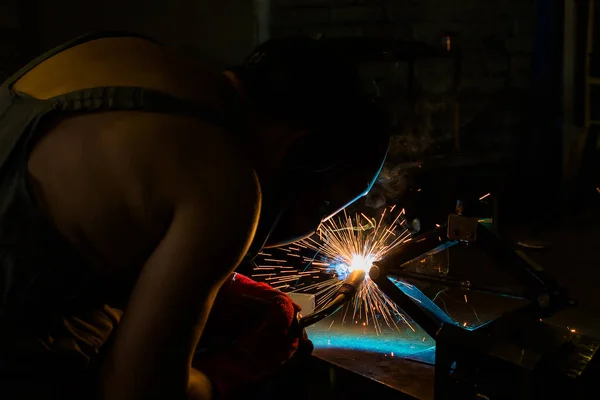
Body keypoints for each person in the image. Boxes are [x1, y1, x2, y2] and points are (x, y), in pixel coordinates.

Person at [0, 32, 389, 399]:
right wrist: (226, 372)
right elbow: (136, 394)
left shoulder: (126, 55)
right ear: (301, 151)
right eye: (320, 209)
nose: (308, 231)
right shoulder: (226, 183)